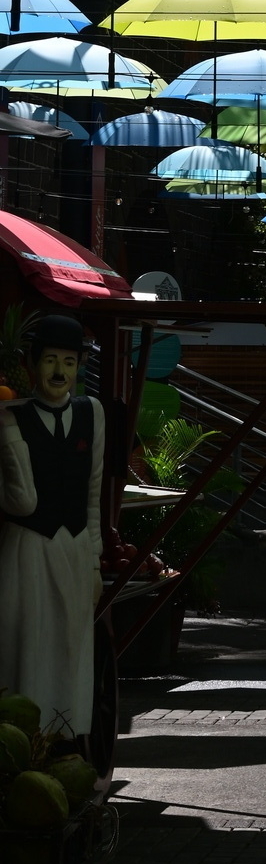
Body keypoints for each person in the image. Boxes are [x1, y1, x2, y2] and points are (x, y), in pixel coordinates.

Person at [0, 313, 104, 740]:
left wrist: (96, 558)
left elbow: (93, 489)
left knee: (72, 646)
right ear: (31, 365)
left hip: (76, 547)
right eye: (49, 361)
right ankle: (22, 741)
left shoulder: (92, 412)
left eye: (68, 361)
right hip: (27, 549)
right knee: (26, 643)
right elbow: (20, 500)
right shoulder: (9, 418)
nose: (59, 371)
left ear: (79, 365)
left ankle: (69, 738)